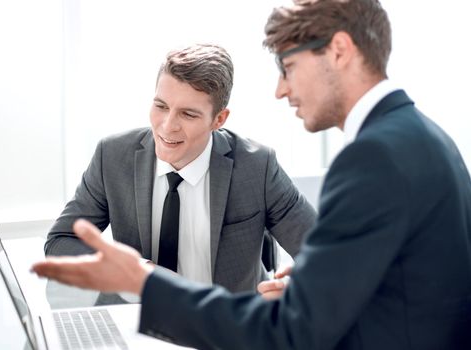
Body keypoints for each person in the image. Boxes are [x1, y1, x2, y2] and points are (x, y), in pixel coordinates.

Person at [33, 0, 471, 349]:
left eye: (289, 67)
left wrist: (144, 281)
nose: (280, 89)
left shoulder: (371, 155)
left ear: (338, 51)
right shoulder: (426, 137)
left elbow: (296, 330)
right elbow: (404, 279)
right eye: (161, 106)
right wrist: (318, 281)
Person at [44, 43, 317, 293]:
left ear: (218, 119)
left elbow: (322, 252)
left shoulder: (257, 166)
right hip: (140, 321)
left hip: (226, 328)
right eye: (161, 106)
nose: (167, 125)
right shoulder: (113, 156)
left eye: (188, 114)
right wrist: (138, 270)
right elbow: (60, 241)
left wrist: (297, 289)